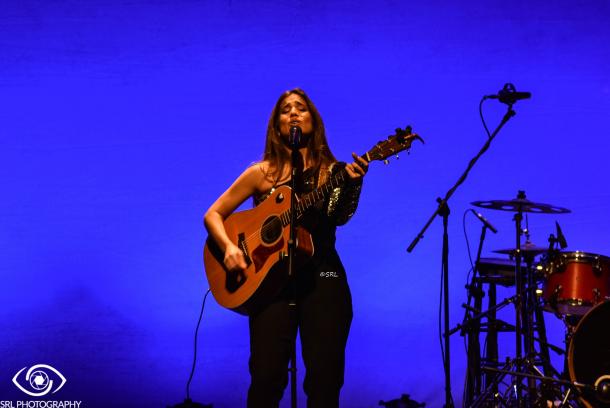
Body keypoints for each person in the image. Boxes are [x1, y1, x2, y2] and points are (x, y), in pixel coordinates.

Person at [204, 88, 368, 407]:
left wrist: (353, 184)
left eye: (301, 108)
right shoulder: (261, 173)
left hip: (323, 278)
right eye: (285, 110)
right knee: (266, 379)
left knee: (325, 381)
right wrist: (229, 249)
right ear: (277, 126)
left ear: (313, 121)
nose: (293, 113)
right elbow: (213, 214)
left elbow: (340, 216)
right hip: (270, 286)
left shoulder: (333, 172)